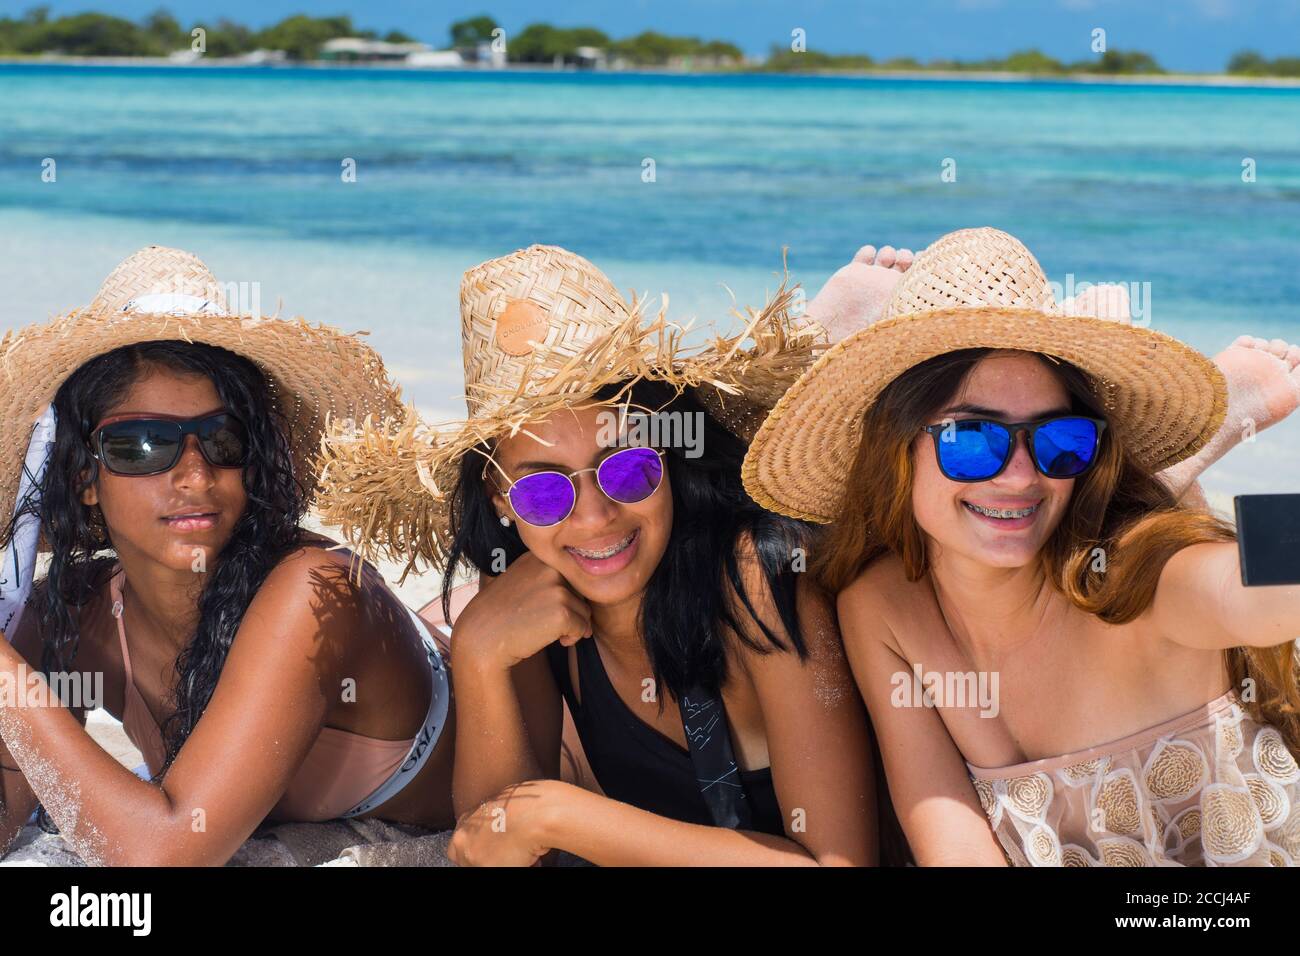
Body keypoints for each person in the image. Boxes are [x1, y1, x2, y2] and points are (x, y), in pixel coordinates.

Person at [743, 227, 1300, 866]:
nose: (1020, 475)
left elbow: (1247, 587)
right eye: (972, 440)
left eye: (1060, 440)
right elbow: (951, 843)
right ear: (894, 448)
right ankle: (1172, 468)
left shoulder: (1133, 572)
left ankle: (1165, 475)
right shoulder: (887, 604)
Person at [318, 244, 875, 865]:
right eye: (543, 491)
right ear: (499, 498)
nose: (593, 516)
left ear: (670, 453)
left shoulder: (757, 576)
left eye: (627, 468)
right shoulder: (528, 594)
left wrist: (566, 817)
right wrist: (477, 652)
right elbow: (490, 847)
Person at [0, 246, 454, 866]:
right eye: (141, 445)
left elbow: (161, 858)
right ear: (84, 476)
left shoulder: (319, 592)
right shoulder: (74, 613)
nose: (194, 473)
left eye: (221, 439)